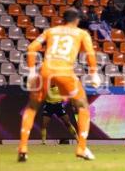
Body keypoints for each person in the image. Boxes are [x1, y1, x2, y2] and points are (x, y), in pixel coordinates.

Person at [18, 8, 101, 162]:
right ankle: (81, 148)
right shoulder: (82, 33)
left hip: (45, 71)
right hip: (65, 71)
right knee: (83, 107)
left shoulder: (51, 31)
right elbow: (90, 53)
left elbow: (31, 48)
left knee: (31, 107)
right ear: (76, 20)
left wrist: (30, 72)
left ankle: (23, 148)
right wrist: (94, 73)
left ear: (63, 19)